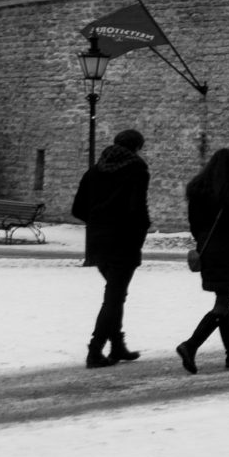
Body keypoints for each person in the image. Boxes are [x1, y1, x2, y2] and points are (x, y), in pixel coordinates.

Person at [70, 128, 152, 369]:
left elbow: (78, 208)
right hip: (125, 240)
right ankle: (95, 350)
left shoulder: (94, 172)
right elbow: (137, 207)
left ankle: (116, 344)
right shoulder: (136, 169)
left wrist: (98, 221)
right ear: (136, 147)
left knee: (115, 293)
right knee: (114, 297)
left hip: (98, 240)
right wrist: (140, 229)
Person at [174, 147, 229, 373]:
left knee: (224, 300)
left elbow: (194, 224)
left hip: (208, 249)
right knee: (222, 304)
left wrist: (201, 243)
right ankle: (190, 345)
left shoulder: (198, 190)